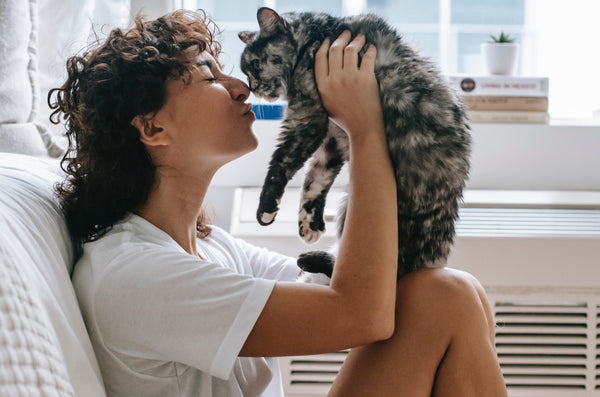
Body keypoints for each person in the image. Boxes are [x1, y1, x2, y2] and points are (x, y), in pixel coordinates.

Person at [50, 9, 508, 397]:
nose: (240, 87)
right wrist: (364, 128)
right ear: (152, 130)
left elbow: (364, 289)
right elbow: (361, 313)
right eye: (210, 76)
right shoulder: (136, 274)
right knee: (444, 296)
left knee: (455, 292)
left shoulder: (212, 250)